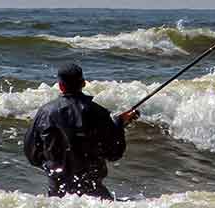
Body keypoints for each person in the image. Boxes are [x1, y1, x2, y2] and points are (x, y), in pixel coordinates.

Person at [24, 63, 139, 199]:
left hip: (57, 193)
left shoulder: (45, 112)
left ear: (60, 86)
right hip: (93, 192)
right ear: (83, 83)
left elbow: (32, 154)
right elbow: (114, 153)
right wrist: (119, 125)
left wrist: (51, 164)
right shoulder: (99, 112)